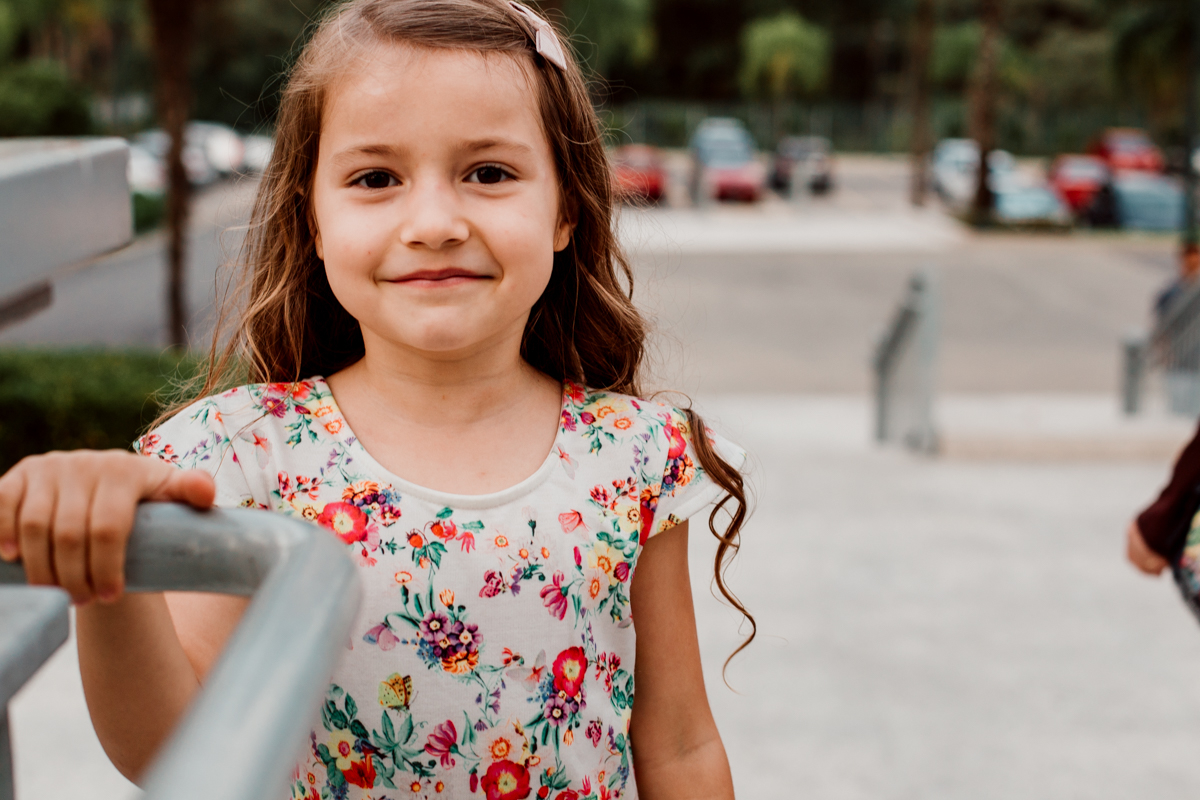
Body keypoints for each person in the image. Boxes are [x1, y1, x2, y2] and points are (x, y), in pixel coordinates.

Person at [0, 2, 752, 798]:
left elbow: (678, 743)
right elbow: (174, 753)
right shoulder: (241, 456)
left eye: (489, 173)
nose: (433, 223)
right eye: (376, 179)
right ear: (314, 218)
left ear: (565, 207)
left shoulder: (633, 457)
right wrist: (109, 573)